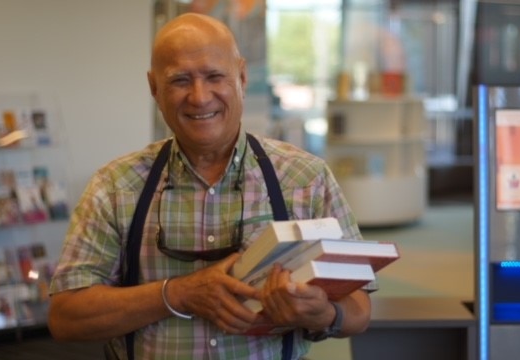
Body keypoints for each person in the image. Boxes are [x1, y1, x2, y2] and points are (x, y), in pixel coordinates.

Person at [47, 12, 371, 360]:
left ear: (242, 77)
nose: (200, 97)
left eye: (215, 76)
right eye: (180, 80)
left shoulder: (307, 178)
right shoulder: (114, 187)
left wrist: (324, 314)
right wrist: (177, 294)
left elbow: (359, 308)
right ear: (154, 88)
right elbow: (66, 317)